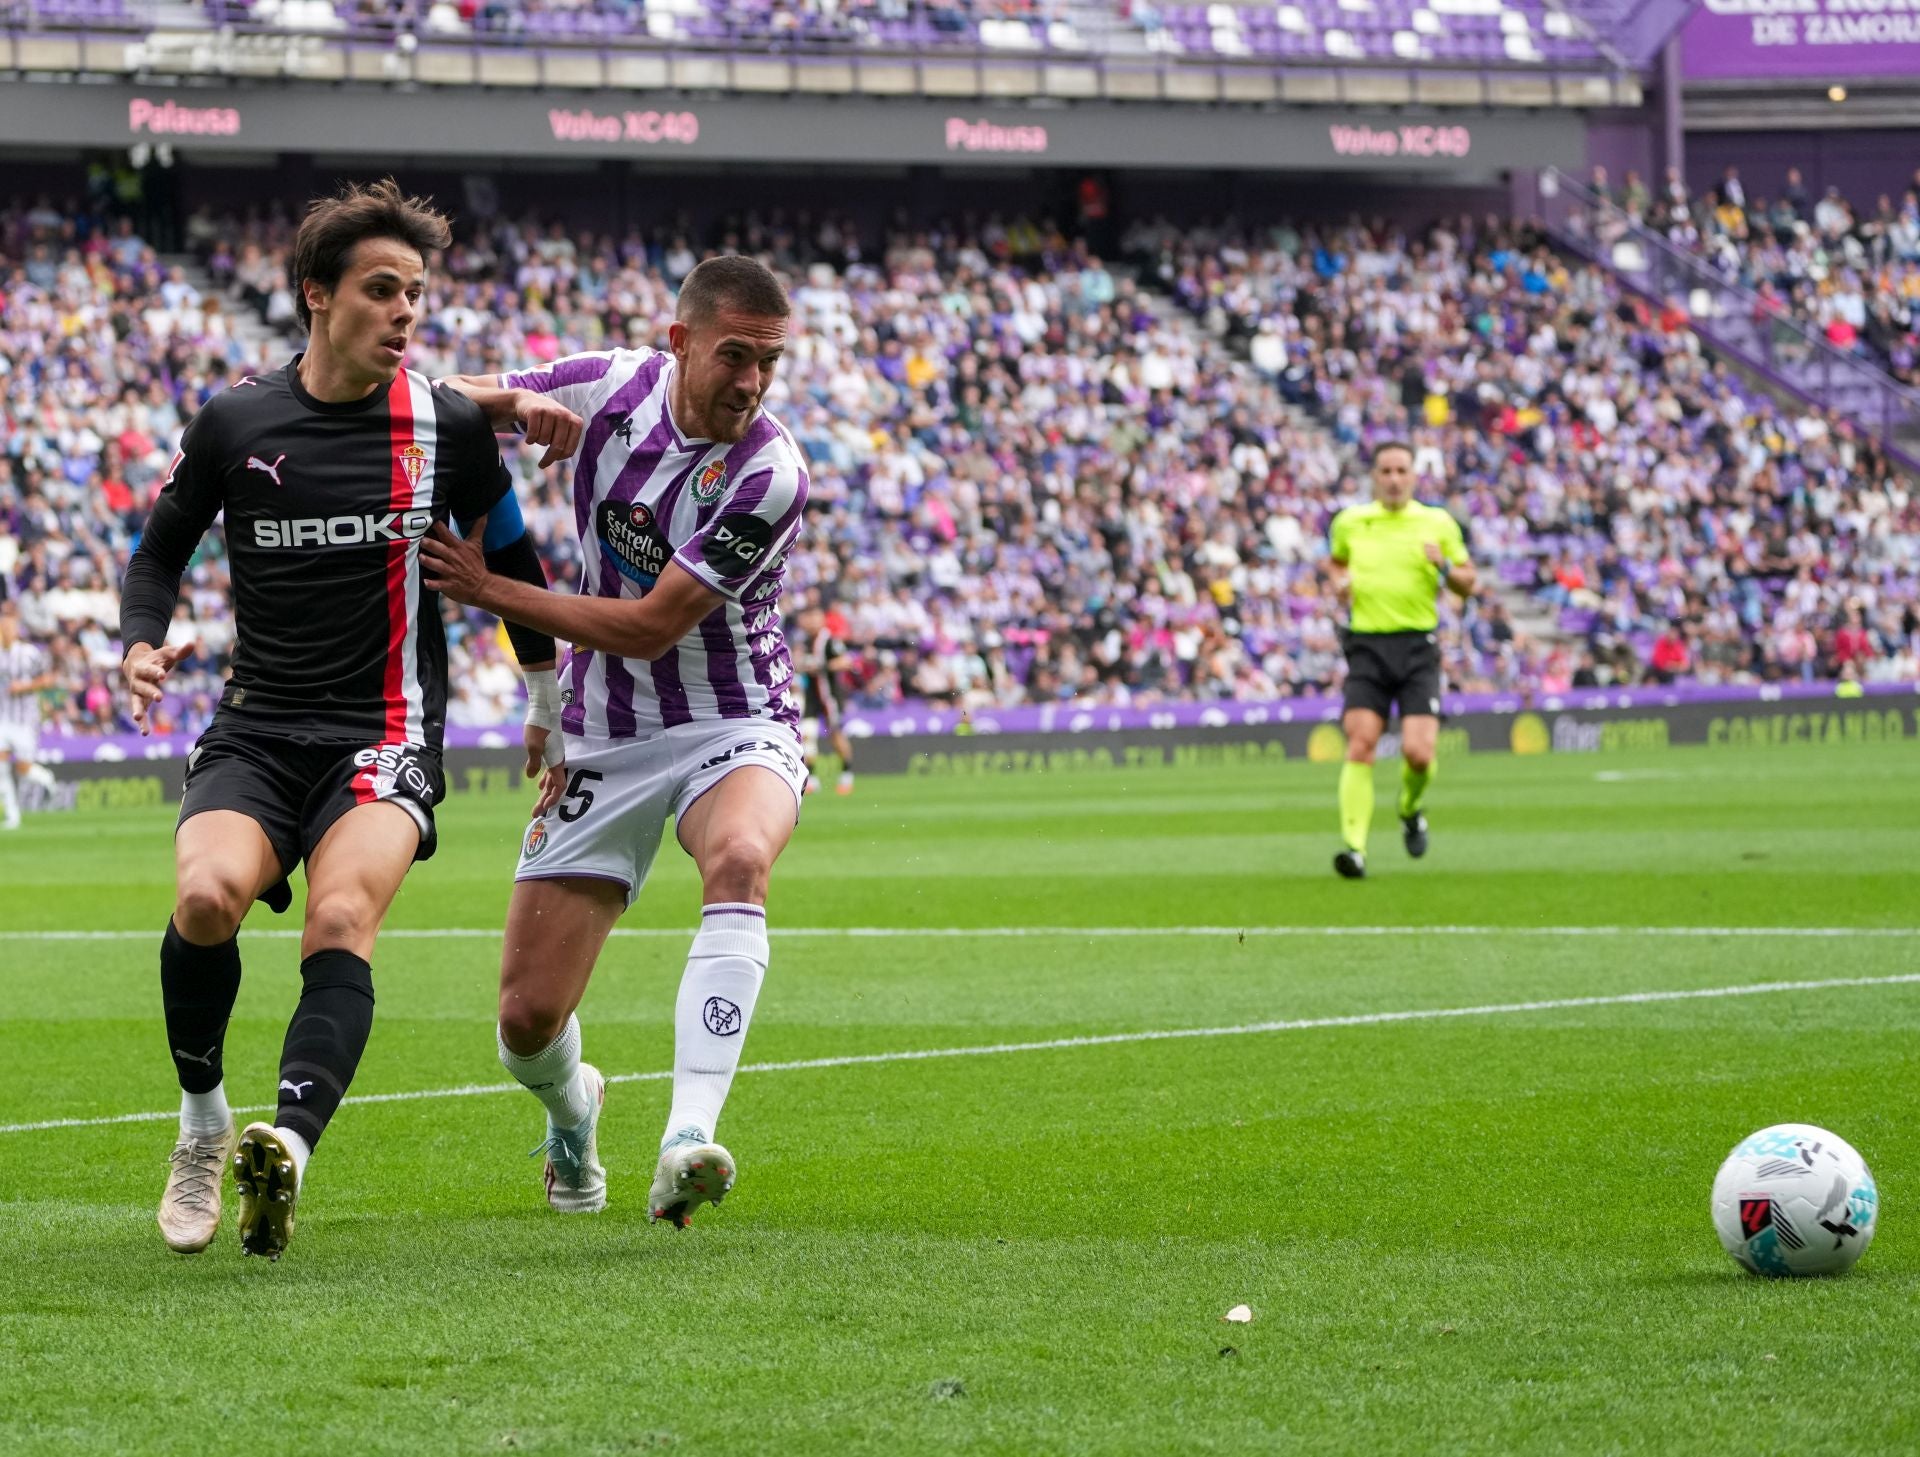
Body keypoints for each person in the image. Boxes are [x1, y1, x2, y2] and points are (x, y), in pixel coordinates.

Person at [122, 179, 580, 1261]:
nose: (407, 311)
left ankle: (287, 1145)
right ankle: (203, 1124)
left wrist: (547, 705)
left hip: (387, 731)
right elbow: (159, 550)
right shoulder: (236, 419)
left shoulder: (448, 425)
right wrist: (141, 641)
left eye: (416, 292)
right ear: (317, 296)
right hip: (256, 728)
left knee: (342, 917)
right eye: (384, 290)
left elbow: (513, 562)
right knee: (202, 899)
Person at [427, 255, 808, 1229]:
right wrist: (512, 402)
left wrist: (491, 588)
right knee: (524, 1021)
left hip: (735, 717)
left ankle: (687, 1139)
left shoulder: (770, 472)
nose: (752, 381)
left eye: (769, 361)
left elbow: (649, 625)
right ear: (680, 341)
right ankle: (573, 1106)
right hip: (604, 735)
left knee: (741, 856)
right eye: (735, 356)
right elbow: (437, 401)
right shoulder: (611, 387)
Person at [1325, 441, 1476, 879]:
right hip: (1367, 646)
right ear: (1374, 476)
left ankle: (1410, 809)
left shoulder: (1437, 522)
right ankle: (1354, 849)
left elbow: (1468, 583)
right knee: (1361, 742)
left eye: (1401, 470)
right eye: (1385, 470)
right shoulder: (1351, 522)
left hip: (1416, 647)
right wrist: (1339, 583)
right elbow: (1336, 564)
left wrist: (1445, 567)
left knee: (1418, 753)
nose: (1393, 478)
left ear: (1413, 476)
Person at [0, 599, 56, 829]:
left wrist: (24, 687)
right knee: (1, 768)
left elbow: (48, 679)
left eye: (7, 627)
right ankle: (13, 816)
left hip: (25, 721)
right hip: (3, 720)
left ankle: (47, 779)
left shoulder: (29, 653)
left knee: (23, 770)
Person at [793, 602, 856, 795]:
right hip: (812, 696)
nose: (811, 622)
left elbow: (845, 662)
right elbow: (797, 664)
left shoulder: (829, 640)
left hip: (830, 696)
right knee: (807, 735)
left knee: (835, 736)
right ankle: (812, 778)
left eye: (815, 617)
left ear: (821, 620)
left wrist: (821, 666)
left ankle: (846, 774)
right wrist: (802, 665)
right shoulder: (804, 642)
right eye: (808, 618)